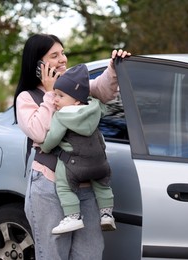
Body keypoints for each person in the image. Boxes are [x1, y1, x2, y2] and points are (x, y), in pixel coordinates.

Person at [13, 33, 130, 260]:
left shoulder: (73, 85)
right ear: (38, 64)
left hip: (86, 186)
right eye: (54, 55)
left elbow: (103, 90)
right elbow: (39, 132)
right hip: (49, 188)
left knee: (90, 253)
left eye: (63, 53)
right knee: (53, 254)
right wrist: (50, 94)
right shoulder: (27, 98)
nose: (63, 59)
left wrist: (114, 67)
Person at [39, 63, 115, 235]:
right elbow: (107, 108)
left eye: (60, 95)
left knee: (64, 186)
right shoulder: (95, 107)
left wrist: (44, 147)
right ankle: (106, 214)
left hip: (76, 166)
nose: (55, 99)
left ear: (75, 100)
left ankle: (73, 217)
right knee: (103, 186)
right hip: (100, 163)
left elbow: (52, 139)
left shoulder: (61, 116)